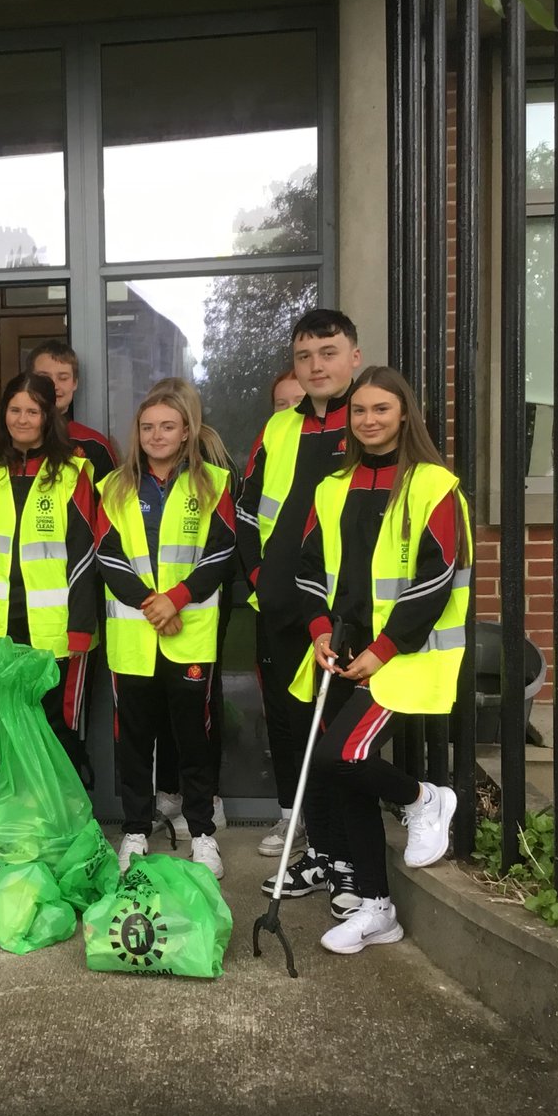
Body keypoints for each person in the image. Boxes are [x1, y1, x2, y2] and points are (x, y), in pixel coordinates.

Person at [291, 366, 466, 954]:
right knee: (339, 772)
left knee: (346, 754)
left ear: (404, 414)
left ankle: (424, 799)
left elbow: (437, 578)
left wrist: (382, 649)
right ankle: (376, 906)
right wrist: (319, 631)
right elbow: (308, 569)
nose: (368, 421)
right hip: (342, 650)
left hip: (403, 655)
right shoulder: (331, 487)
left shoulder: (434, 485)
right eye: (359, 411)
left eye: (381, 410)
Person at [236, 308, 363, 919]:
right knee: (295, 734)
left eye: (328, 353)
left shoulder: (369, 418)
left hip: (344, 618)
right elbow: (245, 512)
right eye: (305, 356)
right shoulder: (279, 427)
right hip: (282, 612)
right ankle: (321, 850)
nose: (316, 366)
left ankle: (352, 869)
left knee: (336, 742)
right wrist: (261, 578)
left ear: (353, 358)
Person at [0, 372, 97, 864]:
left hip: (55, 630)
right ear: (3, 416)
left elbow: (85, 554)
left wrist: (80, 626)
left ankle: (60, 825)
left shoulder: (75, 471)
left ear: (49, 415)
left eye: (32, 410)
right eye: (14, 410)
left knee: (55, 727)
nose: (23, 419)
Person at [96, 383, 236, 876]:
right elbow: (107, 556)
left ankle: (202, 833)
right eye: (148, 426)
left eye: (168, 427)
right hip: (133, 636)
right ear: (138, 432)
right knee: (134, 739)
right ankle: (135, 830)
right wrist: (151, 604)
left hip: (190, 631)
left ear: (185, 432)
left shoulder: (214, 483)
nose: (157, 435)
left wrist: (175, 599)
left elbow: (222, 552)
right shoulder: (113, 486)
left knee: (192, 740)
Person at [27, 340, 118, 481]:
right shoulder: (13, 441)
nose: (53, 386)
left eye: (63, 378)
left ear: (75, 383)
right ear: (29, 381)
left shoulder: (94, 445)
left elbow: (110, 502)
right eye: (44, 378)